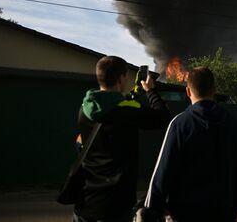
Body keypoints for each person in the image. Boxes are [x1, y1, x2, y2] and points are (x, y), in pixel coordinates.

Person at [137, 66, 237, 222]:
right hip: (223, 214)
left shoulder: (180, 124)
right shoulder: (235, 125)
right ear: (214, 90)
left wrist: (150, 211)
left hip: (185, 214)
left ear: (188, 92)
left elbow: (162, 173)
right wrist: (235, 209)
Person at [73, 56, 172, 222]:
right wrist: (151, 91)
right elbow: (162, 117)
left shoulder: (84, 108)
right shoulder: (126, 110)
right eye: (126, 76)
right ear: (120, 79)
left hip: (85, 202)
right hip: (115, 206)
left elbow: (114, 108)